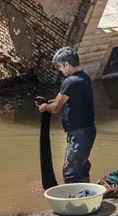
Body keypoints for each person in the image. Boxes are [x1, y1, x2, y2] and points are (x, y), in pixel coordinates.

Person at [38, 47, 96, 183]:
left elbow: (55, 108)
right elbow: (66, 100)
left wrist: (44, 106)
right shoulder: (84, 77)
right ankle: (86, 194)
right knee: (81, 168)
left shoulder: (70, 81)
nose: (60, 70)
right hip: (87, 130)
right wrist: (50, 103)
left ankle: (75, 201)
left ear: (67, 64)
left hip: (79, 133)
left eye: (60, 66)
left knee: (71, 172)